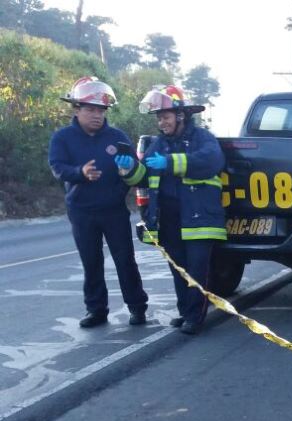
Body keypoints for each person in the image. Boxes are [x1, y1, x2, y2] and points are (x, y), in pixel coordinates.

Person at [115, 85, 226, 335]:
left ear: (180, 115)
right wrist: (128, 170)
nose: (161, 122)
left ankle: (195, 316)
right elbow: (144, 176)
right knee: (179, 269)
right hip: (168, 218)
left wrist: (171, 162)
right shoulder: (158, 144)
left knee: (197, 269)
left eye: (164, 116)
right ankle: (186, 311)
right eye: (158, 118)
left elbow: (210, 161)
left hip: (199, 218)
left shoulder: (202, 138)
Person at [48, 76, 149, 328]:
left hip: (114, 210)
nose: (96, 115)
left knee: (125, 260)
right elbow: (57, 168)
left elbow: (135, 172)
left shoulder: (117, 138)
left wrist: (130, 170)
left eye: (101, 110)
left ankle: (137, 307)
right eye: (90, 109)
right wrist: (80, 173)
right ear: (77, 109)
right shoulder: (62, 138)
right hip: (82, 211)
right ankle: (96, 310)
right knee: (91, 262)